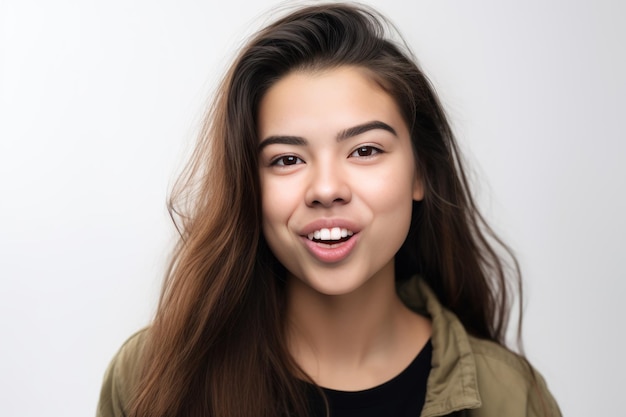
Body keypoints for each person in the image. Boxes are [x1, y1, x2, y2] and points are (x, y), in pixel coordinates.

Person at [97, 3, 561, 417]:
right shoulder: (151, 377)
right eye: (287, 159)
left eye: (364, 151)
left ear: (420, 173)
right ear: (248, 188)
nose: (325, 189)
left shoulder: (510, 398)